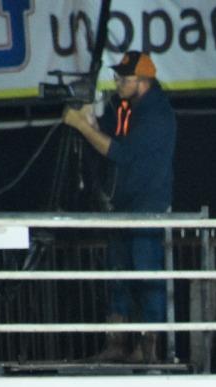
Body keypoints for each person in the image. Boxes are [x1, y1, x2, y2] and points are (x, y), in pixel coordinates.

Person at [62, 51, 176, 364]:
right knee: (118, 273)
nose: (118, 83)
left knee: (146, 274)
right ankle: (117, 344)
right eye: (118, 77)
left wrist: (82, 126)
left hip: (148, 205)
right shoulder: (128, 107)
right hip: (124, 204)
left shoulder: (157, 115)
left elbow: (120, 153)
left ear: (143, 81)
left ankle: (148, 348)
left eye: (124, 79)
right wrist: (91, 120)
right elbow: (109, 137)